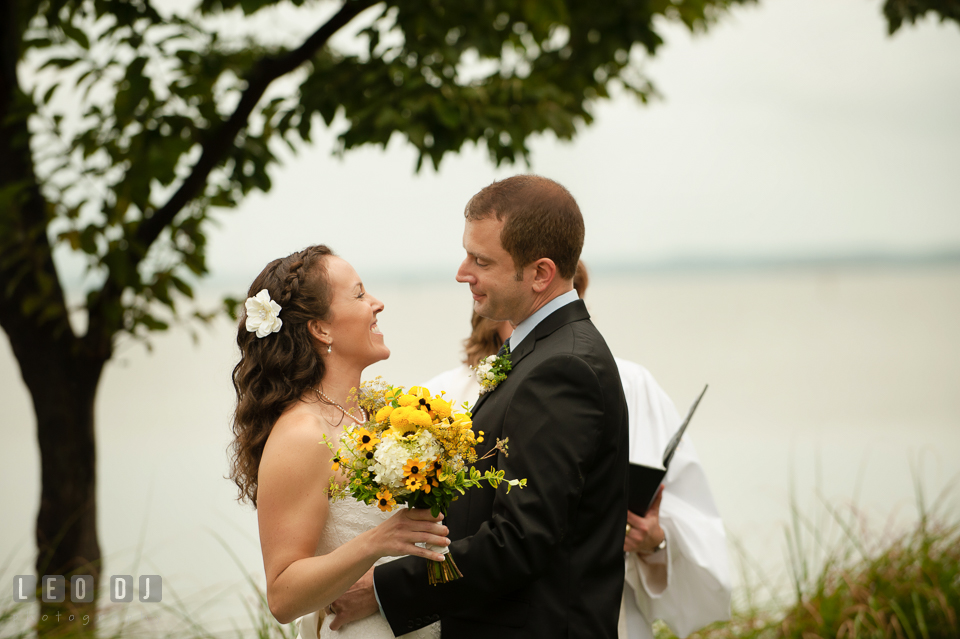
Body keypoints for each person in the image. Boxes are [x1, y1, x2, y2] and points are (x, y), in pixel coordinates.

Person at [328, 175, 630, 638]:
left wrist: (384, 589)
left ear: (540, 274)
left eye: (481, 260)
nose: (462, 271)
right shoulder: (541, 352)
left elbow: (521, 540)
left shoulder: (563, 367)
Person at [425, 261, 732, 639]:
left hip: (598, 612)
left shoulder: (630, 382)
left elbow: (692, 518)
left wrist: (654, 541)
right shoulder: (441, 396)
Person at [228, 245, 449, 639]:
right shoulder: (303, 433)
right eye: (360, 294)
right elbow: (282, 595)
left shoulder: (372, 415)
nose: (377, 303)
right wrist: (377, 542)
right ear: (321, 328)